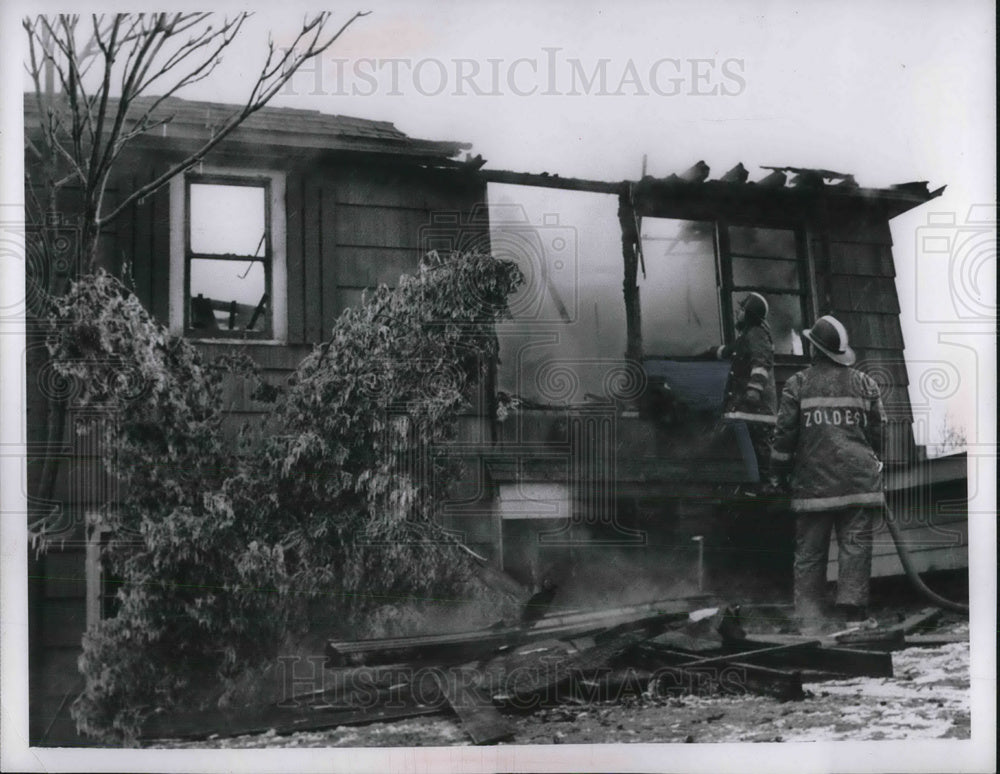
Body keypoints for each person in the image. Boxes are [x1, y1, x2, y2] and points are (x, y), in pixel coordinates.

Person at [771, 314, 886, 634]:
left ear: (814, 349)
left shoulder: (798, 384)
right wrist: (876, 462)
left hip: (814, 486)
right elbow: (879, 432)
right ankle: (855, 619)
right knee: (855, 549)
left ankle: (810, 620)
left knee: (810, 553)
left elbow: (784, 436)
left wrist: (778, 473)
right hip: (858, 483)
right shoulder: (865, 383)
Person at [703, 291, 777, 479]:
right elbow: (730, 351)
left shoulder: (757, 334)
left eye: (742, 309)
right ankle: (756, 484)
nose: (738, 312)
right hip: (745, 408)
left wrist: (755, 388)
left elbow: (762, 361)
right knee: (747, 449)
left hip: (755, 409)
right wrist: (710, 351)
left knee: (760, 449)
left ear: (750, 313)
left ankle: (767, 485)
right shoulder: (747, 336)